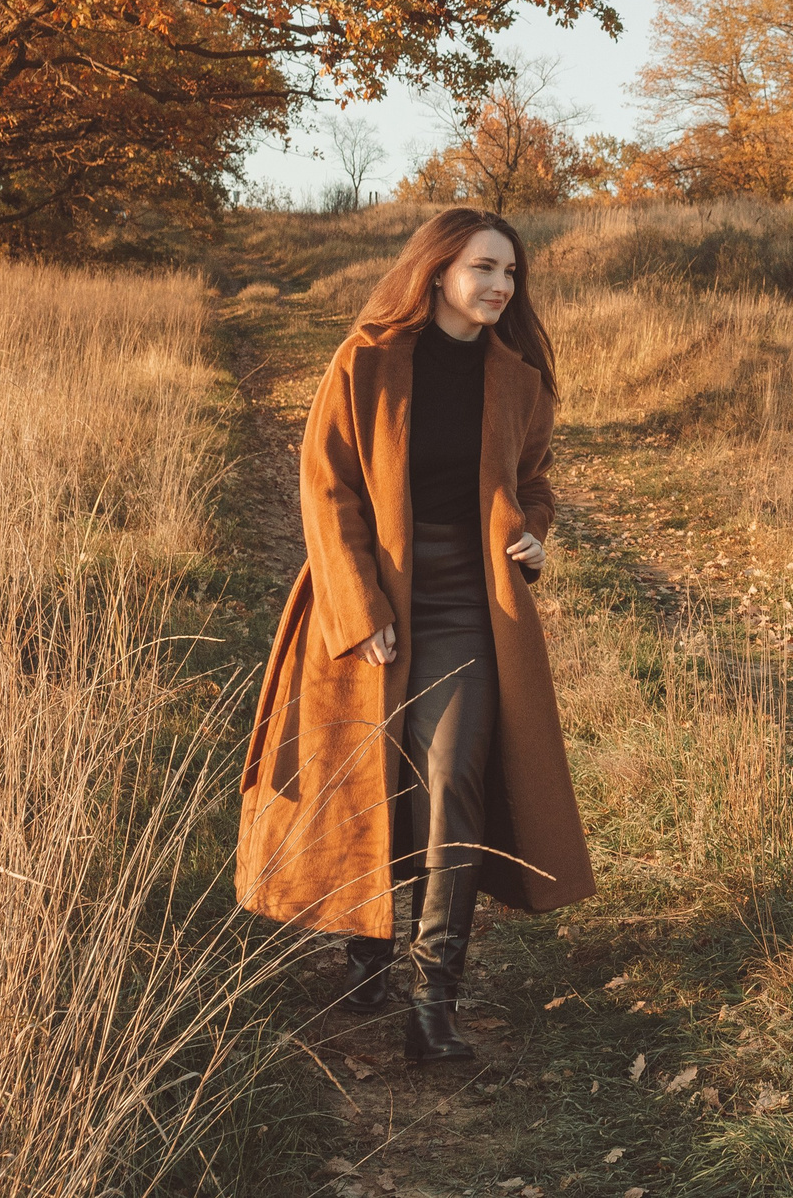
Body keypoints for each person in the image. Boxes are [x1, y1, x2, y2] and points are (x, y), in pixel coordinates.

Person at [236, 206, 595, 1064]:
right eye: (484, 268)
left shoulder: (520, 378)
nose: (501, 286)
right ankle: (366, 944)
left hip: (474, 607)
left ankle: (435, 1001)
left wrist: (534, 532)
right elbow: (327, 489)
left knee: (452, 782)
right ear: (437, 272)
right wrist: (361, 610)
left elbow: (535, 482)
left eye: (511, 272)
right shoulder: (367, 360)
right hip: (373, 599)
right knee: (370, 777)